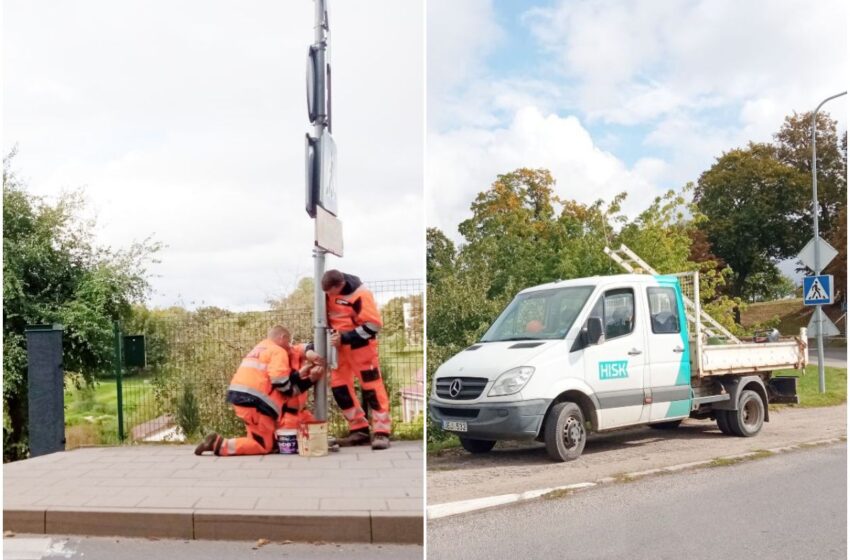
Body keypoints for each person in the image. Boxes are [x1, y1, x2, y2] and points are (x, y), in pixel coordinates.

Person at [194, 326, 324, 456]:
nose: (289, 345)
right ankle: (219, 444)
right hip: (257, 403)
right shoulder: (278, 351)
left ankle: (221, 444)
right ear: (282, 338)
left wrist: (300, 375)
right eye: (288, 341)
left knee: (261, 439)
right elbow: (283, 385)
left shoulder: (261, 347)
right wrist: (309, 380)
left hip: (242, 398)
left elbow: (274, 380)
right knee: (263, 446)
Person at [322, 269, 391, 450]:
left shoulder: (361, 294)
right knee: (339, 388)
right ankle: (358, 430)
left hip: (361, 348)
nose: (328, 296)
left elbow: (373, 325)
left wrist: (344, 337)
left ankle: (382, 433)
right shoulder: (326, 293)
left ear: (340, 285)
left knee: (372, 390)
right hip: (338, 349)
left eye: (330, 292)